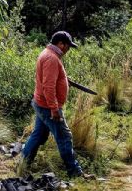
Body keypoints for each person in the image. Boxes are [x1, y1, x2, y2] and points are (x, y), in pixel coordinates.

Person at [19, 31, 84, 177]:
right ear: (60, 44)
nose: (68, 50)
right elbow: (48, 87)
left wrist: (64, 80)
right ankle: (74, 172)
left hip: (41, 103)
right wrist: (54, 109)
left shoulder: (47, 53)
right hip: (47, 106)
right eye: (67, 46)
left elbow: (49, 80)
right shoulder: (51, 58)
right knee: (64, 136)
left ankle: (23, 163)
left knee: (38, 134)